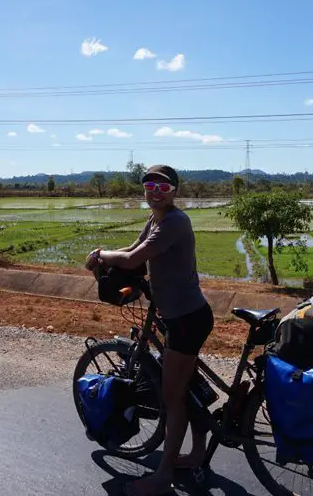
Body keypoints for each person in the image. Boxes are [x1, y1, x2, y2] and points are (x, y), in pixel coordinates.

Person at [84, 164, 214, 496]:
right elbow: (131, 251)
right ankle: (197, 452)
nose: (155, 193)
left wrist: (100, 254)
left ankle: (163, 476)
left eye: (163, 187)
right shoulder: (155, 219)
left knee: (171, 399)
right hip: (180, 314)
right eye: (150, 186)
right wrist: (112, 257)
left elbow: (133, 259)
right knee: (184, 386)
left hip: (185, 318)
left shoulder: (174, 221)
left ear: (175, 191)